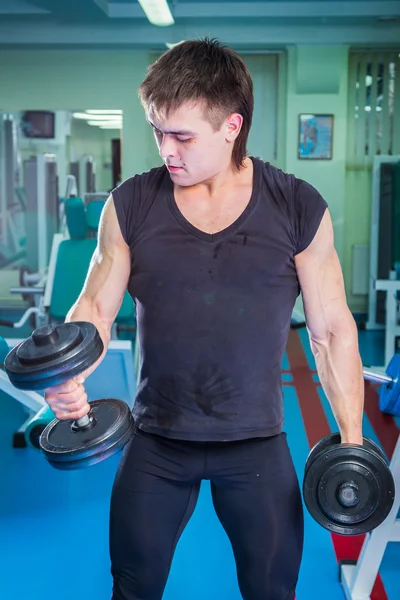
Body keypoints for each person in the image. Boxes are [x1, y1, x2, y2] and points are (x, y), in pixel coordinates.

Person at [44, 39, 364, 600]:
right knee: (132, 588)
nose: (166, 149)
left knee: (272, 591)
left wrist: (354, 444)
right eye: (157, 130)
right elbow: (94, 307)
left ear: (231, 126)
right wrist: (69, 375)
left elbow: (331, 331)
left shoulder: (297, 207)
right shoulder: (132, 204)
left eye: (182, 136)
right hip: (157, 441)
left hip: (256, 444)